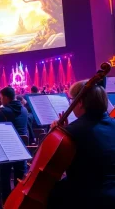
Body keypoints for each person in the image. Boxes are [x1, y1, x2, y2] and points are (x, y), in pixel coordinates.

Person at [48, 80, 115, 209]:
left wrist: (57, 135)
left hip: (90, 197)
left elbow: (53, 165)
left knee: (51, 194)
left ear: (80, 102)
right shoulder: (113, 123)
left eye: (71, 100)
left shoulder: (73, 131)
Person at [0, 86, 28, 203]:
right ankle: (19, 200)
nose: (0, 100)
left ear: (5, 98)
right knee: (20, 177)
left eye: (1, 97)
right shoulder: (24, 110)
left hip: (8, 148)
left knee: (4, 176)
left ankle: (5, 201)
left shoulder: (4, 111)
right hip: (22, 149)